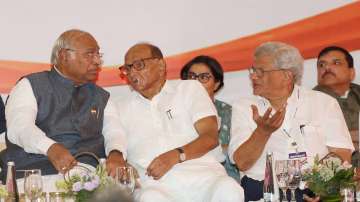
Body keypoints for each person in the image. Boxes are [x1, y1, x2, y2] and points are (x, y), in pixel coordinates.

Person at [117, 43, 244, 202]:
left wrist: (176, 155)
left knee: (229, 189)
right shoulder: (119, 107)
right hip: (156, 184)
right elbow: (114, 148)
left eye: (138, 65)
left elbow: (210, 137)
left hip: (204, 177)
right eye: (127, 69)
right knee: (149, 198)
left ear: (161, 65)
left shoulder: (189, 89)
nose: (132, 72)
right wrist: (121, 164)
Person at [228, 41, 354, 201]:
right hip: (264, 190)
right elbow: (241, 163)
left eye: (260, 71)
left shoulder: (324, 103)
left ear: (287, 75)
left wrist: (321, 185)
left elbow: (341, 153)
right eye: (253, 70)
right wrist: (262, 132)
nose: (253, 76)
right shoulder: (244, 107)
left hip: (313, 188)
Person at [0, 29, 127, 180]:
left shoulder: (102, 96)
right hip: (36, 174)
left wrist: (116, 153)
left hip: (89, 177)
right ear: (64, 56)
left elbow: (114, 132)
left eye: (98, 55)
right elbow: (19, 127)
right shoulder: (30, 85)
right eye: (89, 54)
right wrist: (50, 148)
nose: (97, 61)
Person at [180, 55, 240, 183]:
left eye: (203, 77)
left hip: (223, 177)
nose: (196, 83)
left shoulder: (230, 113)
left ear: (216, 84)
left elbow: (237, 155)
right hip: (184, 177)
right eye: (191, 77)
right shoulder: (175, 111)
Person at [313, 46, 360, 149]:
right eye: (321, 65)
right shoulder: (308, 101)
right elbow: (313, 140)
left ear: (351, 73)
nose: (327, 68)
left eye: (336, 63)